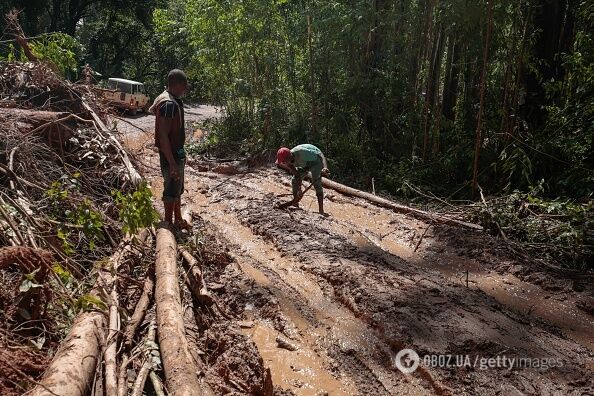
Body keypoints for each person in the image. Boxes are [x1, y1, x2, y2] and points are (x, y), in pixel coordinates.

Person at [148, 69, 190, 229]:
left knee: (177, 187)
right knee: (171, 189)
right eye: (184, 86)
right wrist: (172, 162)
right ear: (178, 84)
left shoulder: (171, 100)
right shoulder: (169, 104)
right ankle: (168, 224)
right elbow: (163, 135)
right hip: (170, 154)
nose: (185, 90)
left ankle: (178, 219)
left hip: (176, 152)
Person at [275, 144, 330, 216]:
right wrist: (299, 189)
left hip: (315, 161)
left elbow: (320, 155)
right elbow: (297, 176)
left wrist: (325, 167)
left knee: (316, 183)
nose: (283, 163)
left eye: (283, 161)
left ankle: (321, 211)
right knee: (294, 180)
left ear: (289, 157)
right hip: (304, 164)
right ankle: (295, 204)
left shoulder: (301, 152)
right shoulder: (288, 163)